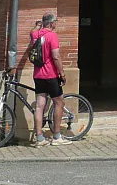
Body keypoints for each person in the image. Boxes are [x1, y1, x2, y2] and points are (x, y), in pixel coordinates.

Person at [28, 12, 71, 146]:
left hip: (38, 75)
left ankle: (39, 138)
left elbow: (32, 31)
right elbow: (56, 56)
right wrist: (62, 73)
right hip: (50, 75)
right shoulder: (52, 36)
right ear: (51, 23)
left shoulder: (35, 35)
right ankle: (56, 136)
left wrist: (37, 26)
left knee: (40, 106)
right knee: (59, 103)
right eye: (55, 23)